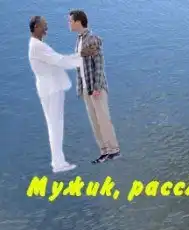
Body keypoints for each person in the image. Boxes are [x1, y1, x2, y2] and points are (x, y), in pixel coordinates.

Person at [28, 16, 97, 173]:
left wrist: (80, 56)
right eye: (44, 26)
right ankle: (58, 164)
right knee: (55, 125)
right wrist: (82, 57)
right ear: (36, 26)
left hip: (51, 89)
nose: (46, 29)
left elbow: (59, 60)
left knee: (55, 125)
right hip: (51, 90)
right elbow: (60, 61)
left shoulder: (38, 45)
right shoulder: (37, 47)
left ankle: (58, 161)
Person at [69, 9, 120, 164]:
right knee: (94, 121)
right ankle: (104, 151)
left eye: (70, 21)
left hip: (96, 87)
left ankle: (114, 150)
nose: (69, 23)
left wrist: (97, 87)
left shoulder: (92, 39)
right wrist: (80, 88)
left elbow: (99, 64)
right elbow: (80, 66)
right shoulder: (78, 40)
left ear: (78, 21)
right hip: (86, 87)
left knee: (103, 119)